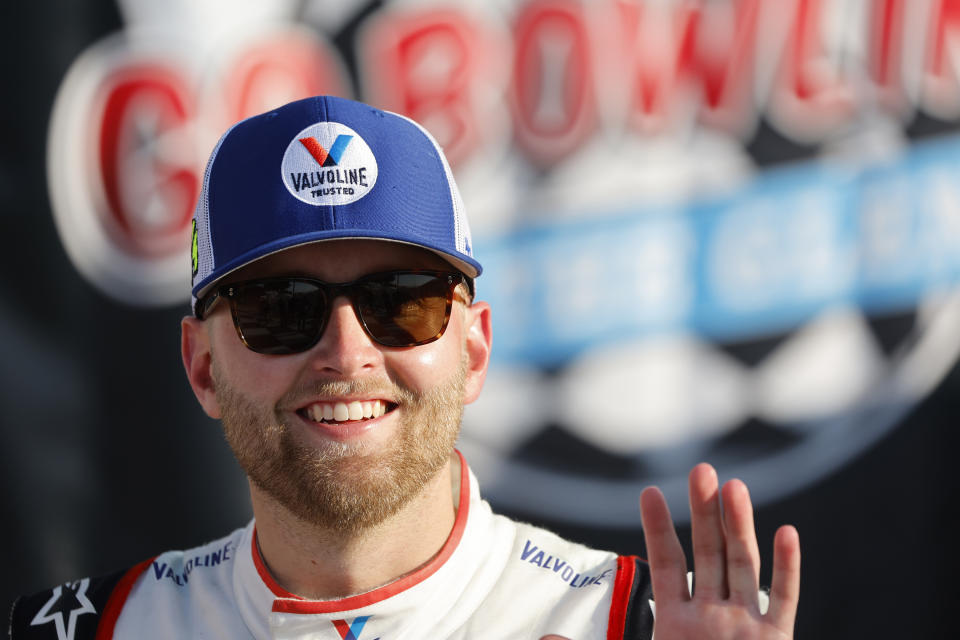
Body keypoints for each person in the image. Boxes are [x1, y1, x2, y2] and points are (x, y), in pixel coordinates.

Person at [10, 95, 799, 640]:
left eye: (403, 301)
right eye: (279, 308)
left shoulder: (640, 625)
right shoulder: (92, 629)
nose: (348, 352)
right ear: (203, 368)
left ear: (475, 346)